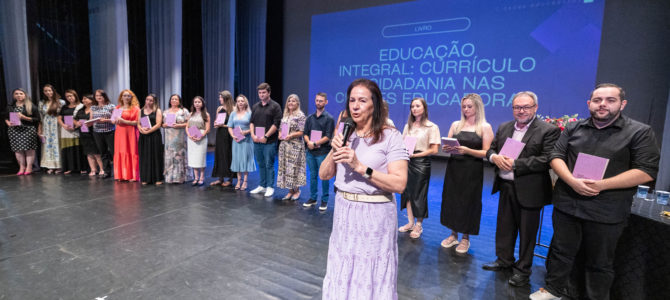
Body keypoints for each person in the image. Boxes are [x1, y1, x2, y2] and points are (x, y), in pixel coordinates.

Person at [530, 84, 660, 300]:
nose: (603, 105)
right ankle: (553, 290)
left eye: (610, 100)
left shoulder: (639, 132)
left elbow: (646, 171)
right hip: (568, 203)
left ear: (622, 104)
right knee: (561, 252)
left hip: (607, 209)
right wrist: (571, 181)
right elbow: (556, 156)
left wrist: (602, 185)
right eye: (598, 100)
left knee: (600, 262)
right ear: (589, 103)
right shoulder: (574, 128)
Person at [319, 78, 408, 299]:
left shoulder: (390, 136)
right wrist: (335, 148)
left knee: (371, 272)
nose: (355, 106)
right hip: (344, 212)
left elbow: (399, 183)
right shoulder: (346, 132)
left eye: (362, 100)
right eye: (352, 100)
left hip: (375, 216)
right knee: (343, 267)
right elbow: (324, 174)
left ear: (374, 105)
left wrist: (360, 167)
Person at [482, 91, 560, 287]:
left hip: (531, 190)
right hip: (505, 186)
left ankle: (523, 270)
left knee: (527, 233)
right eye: (517, 107)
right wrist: (494, 158)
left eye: (526, 107)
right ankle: (503, 260)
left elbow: (548, 159)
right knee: (504, 227)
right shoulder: (504, 127)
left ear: (535, 108)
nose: (521, 110)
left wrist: (517, 164)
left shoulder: (547, 130)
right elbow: (491, 149)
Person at [440, 93, 494, 254]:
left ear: (478, 107)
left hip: (472, 170)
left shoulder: (485, 127)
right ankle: (453, 234)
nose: (466, 109)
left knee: (468, 202)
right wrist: (447, 148)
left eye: (469, 106)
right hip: (454, 168)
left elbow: (486, 152)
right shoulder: (455, 124)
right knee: (452, 200)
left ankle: (465, 238)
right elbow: (446, 144)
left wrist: (467, 150)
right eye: (464, 106)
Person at [399, 97, 440, 239]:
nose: (414, 108)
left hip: (421, 162)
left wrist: (417, 156)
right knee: (408, 192)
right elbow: (403, 143)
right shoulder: (408, 126)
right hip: (407, 161)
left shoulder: (432, 127)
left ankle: (419, 224)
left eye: (417, 106)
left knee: (419, 194)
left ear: (424, 108)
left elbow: (434, 150)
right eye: (412, 106)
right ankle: (410, 222)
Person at [302, 92, 335, 211]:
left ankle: (325, 200)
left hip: (322, 152)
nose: (318, 103)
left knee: (324, 176)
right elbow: (305, 133)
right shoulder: (310, 118)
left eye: (321, 101)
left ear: (326, 102)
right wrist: (309, 143)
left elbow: (328, 136)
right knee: (313, 176)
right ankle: (313, 198)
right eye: (317, 100)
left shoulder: (329, 118)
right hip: (310, 151)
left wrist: (315, 143)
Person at [249, 82, 282, 197]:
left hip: (269, 141)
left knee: (269, 164)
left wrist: (266, 136)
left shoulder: (275, 106)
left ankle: (270, 187)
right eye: (260, 93)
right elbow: (252, 122)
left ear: (269, 92)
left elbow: (276, 124)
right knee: (261, 164)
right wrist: (253, 135)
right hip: (257, 140)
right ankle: (262, 185)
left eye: (264, 92)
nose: (261, 95)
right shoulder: (255, 106)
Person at [277, 94, 307, 200]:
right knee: (285, 168)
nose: (291, 102)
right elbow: (280, 129)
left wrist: (291, 135)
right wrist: (280, 135)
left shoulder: (300, 115)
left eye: (293, 101)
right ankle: (290, 191)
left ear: (297, 103)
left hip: (295, 146)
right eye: (289, 100)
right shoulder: (285, 116)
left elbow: (301, 132)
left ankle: (297, 191)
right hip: (284, 146)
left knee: (295, 168)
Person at [4, 88, 40, 175]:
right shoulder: (10, 106)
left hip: (28, 130)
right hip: (14, 130)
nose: (18, 95)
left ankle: (29, 167)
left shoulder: (31, 106)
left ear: (25, 95)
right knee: (18, 150)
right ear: (14, 95)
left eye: (21, 93)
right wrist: (8, 123)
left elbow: (37, 119)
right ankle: (22, 167)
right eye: (16, 94)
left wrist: (24, 117)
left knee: (29, 149)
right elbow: (5, 117)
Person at [227, 94, 256, 190]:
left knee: (246, 159)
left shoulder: (250, 113)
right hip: (236, 140)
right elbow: (230, 126)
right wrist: (232, 135)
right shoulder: (233, 114)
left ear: (245, 102)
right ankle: (239, 181)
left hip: (247, 140)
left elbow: (253, 127)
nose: (240, 103)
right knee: (238, 160)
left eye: (242, 101)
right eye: (238, 101)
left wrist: (246, 132)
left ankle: (245, 181)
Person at [113, 89, 140, 182]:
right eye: (124, 95)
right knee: (120, 151)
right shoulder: (117, 108)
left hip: (131, 131)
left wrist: (124, 121)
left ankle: (133, 175)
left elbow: (137, 122)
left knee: (132, 151)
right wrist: (114, 120)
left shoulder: (135, 109)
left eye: (128, 96)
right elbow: (113, 120)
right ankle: (121, 174)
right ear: (121, 97)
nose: (126, 97)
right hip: (120, 132)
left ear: (131, 97)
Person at [162, 94, 190, 184]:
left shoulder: (183, 111)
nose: (174, 101)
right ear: (170, 101)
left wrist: (179, 125)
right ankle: (170, 177)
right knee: (170, 156)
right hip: (169, 138)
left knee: (179, 156)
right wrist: (164, 125)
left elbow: (189, 123)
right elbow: (162, 124)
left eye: (176, 99)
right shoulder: (165, 112)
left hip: (179, 137)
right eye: (172, 99)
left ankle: (180, 177)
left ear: (179, 101)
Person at [138, 94, 164, 185]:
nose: (148, 102)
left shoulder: (157, 111)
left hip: (154, 136)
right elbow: (138, 124)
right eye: (147, 100)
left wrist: (148, 131)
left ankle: (158, 178)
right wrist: (141, 130)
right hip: (144, 137)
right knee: (145, 156)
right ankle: (145, 178)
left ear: (154, 102)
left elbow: (158, 124)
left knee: (155, 156)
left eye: (151, 100)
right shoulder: (141, 111)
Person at [211, 90, 236, 187]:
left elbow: (234, 124)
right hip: (220, 134)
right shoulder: (219, 108)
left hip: (229, 134)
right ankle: (220, 178)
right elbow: (217, 121)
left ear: (226, 98)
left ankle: (230, 179)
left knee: (229, 154)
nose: (219, 99)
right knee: (220, 155)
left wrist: (224, 125)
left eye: (221, 97)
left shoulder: (233, 109)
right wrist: (216, 124)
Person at [58, 89, 86, 174]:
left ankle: (81, 167)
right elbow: (59, 118)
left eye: (71, 96)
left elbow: (83, 117)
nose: (69, 98)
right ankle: (70, 167)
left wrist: (76, 125)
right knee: (68, 148)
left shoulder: (81, 106)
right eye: (67, 96)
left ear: (75, 96)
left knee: (78, 148)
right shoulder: (64, 107)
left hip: (78, 129)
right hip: (66, 129)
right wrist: (63, 125)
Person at [39, 84, 65, 173]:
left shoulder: (61, 102)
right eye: (46, 91)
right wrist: (40, 130)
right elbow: (41, 118)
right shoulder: (42, 103)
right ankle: (50, 166)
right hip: (46, 126)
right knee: (47, 145)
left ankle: (59, 165)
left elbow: (64, 115)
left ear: (53, 91)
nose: (48, 92)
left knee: (57, 144)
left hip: (57, 125)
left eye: (49, 90)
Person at [75, 94, 103, 176]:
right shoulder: (81, 109)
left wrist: (90, 122)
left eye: (85, 99)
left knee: (96, 152)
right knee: (88, 152)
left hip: (93, 132)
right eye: (83, 99)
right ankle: (93, 169)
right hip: (83, 132)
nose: (83, 100)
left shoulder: (95, 108)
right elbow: (75, 119)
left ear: (91, 100)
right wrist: (77, 123)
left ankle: (101, 168)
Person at [90, 89, 115, 178]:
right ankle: (107, 172)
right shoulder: (93, 107)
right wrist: (87, 123)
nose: (98, 97)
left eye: (100, 95)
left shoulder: (111, 106)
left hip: (110, 132)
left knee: (113, 152)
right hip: (97, 132)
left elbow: (114, 120)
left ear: (104, 96)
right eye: (97, 96)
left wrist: (106, 120)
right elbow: (91, 120)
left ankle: (118, 172)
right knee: (103, 152)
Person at [186, 96, 210, 186]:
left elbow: (207, 128)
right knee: (193, 158)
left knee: (201, 158)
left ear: (202, 103)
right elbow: (187, 126)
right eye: (195, 102)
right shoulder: (190, 114)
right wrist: (189, 135)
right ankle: (196, 177)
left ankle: (202, 177)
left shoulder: (206, 114)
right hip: (191, 137)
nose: (197, 103)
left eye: (199, 102)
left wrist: (201, 136)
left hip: (201, 137)